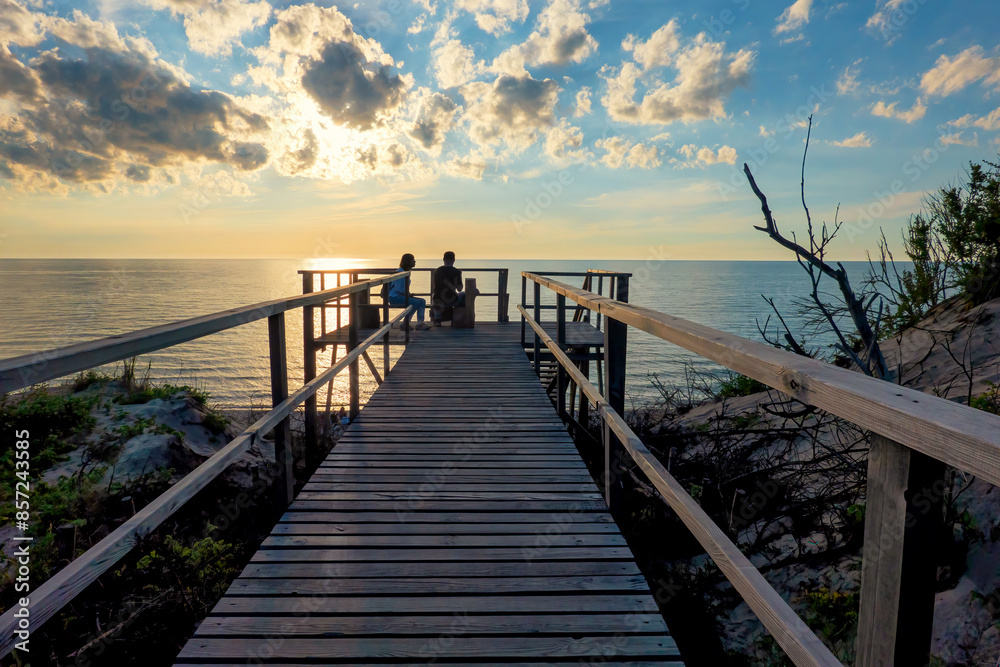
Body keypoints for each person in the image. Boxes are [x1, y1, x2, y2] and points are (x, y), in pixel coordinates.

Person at [388, 253, 430, 330]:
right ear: (408, 261)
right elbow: (398, 290)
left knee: (422, 301)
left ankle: (420, 323)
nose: (415, 261)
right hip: (394, 297)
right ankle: (405, 323)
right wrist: (407, 295)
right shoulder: (401, 273)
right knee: (415, 303)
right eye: (413, 260)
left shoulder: (405, 272)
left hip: (398, 296)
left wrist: (408, 294)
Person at [432, 251, 465, 326]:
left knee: (435, 297)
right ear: (454, 260)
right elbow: (459, 288)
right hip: (451, 300)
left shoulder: (437, 271)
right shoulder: (456, 272)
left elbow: (434, 286)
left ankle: (438, 320)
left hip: (438, 299)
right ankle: (456, 318)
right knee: (464, 294)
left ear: (443, 259)